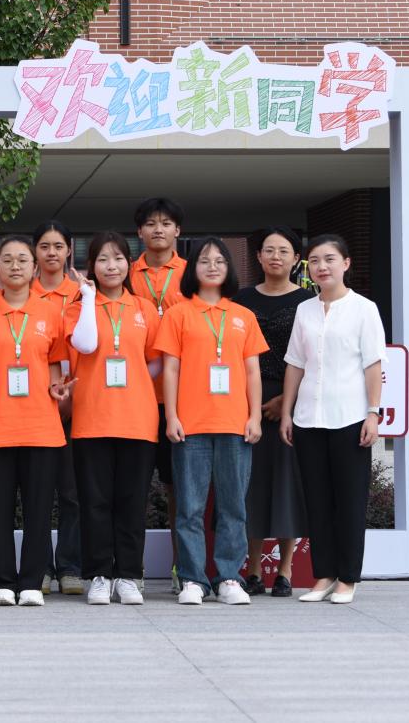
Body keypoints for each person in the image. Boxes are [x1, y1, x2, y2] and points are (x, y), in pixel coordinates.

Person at [0, 236, 72, 606]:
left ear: (34, 267)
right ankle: (3, 583)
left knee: (39, 510)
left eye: (22, 259)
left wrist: (57, 388)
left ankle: (31, 582)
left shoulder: (50, 312)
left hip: (41, 426)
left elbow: (54, 362)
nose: (15, 266)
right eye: (7, 260)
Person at [158, 236, 268, 607]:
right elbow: (170, 369)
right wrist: (171, 415)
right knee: (189, 507)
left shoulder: (242, 316)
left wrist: (255, 416)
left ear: (229, 269)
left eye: (220, 261)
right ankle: (192, 579)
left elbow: (252, 371)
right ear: (193, 268)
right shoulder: (178, 314)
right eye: (204, 261)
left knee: (233, 507)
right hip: (191, 426)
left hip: (235, 425)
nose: (212, 266)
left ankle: (228, 578)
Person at [280, 234, 387, 605]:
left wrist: (373, 413)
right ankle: (323, 574)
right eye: (314, 261)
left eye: (329, 259)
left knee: (350, 501)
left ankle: (347, 577)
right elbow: (295, 363)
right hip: (309, 418)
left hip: (350, 418)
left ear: (346, 263)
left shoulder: (364, 309)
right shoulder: (304, 310)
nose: (321, 267)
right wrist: (287, 412)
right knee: (317, 500)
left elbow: (373, 364)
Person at [65, 231, 161, 606]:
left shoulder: (144, 309)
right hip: (92, 419)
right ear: (92, 266)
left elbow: (155, 362)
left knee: (131, 502)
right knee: (95, 502)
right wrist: (89, 298)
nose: (111, 266)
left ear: (129, 264)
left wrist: (133, 381)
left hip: (137, 420)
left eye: (118, 258)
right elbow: (86, 344)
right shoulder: (78, 308)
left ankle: (129, 576)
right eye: (103, 259)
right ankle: (100, 575)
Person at [234, 227, 312, 597]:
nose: (275, 256)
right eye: (269, 250)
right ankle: (251, 569)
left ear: (296, 258)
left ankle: (284, 569)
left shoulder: (309, 302)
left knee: (286, 484)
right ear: (259, 257)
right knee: (251, 484)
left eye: (283, 250)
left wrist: (287, 401)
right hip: (244, 400)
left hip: (293, 400)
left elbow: (316, 357)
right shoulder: (241, 299)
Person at [129, 197, 187, 586]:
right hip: (132, 398)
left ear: (177, 230)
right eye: (151, 223)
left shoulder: (192, 274)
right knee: (132, 489)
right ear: (140, 232)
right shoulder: (125, 272)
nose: (159, 229)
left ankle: (183, 566)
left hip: (179, 401)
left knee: (178, 488)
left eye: (166, 223)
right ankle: (130, 568)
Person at [30, 220, 84, 595]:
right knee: (39, 491)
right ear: (35, 252)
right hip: (35, 403)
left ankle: (69, 566)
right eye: (45, 246)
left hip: (82, 401)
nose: (52, 253)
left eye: (58, 246)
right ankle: (41, 566)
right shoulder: (22, 293)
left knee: (72, 490)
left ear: (69, 251)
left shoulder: (82, 294)